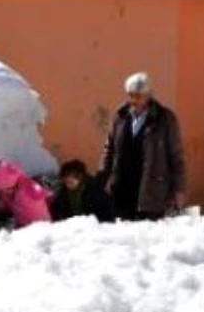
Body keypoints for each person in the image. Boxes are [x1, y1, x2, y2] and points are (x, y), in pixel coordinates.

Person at [99, 72, 186, 221]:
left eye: (139, 96)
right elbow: (109, 148)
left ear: (148, 95)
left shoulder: (164, 119)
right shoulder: (121, 115)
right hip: (123, 184)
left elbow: (176, 156)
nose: (134, 100)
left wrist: (178, 189)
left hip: (151, 188)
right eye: (131, 95)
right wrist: (102, 178)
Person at [0, 159, 52, 228]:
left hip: (35, 228)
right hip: (21, 219)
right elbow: (8, 200)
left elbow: (38, 224)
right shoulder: (9, 189)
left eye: (2, 189)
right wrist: (3, 208)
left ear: (12, 186)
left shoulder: (29, 197)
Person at [49, 159, 115, 223]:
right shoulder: (63, 192)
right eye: (65, 182)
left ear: (80, 178)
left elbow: (106, 211)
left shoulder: (95, 191)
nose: (68, 186)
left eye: (71, 182)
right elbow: (55, 209)